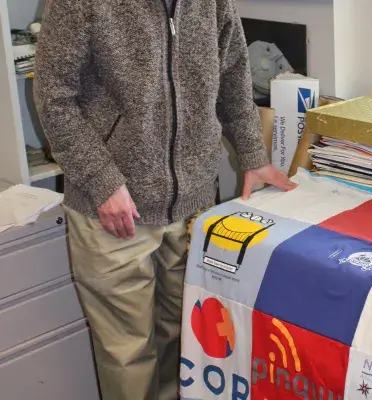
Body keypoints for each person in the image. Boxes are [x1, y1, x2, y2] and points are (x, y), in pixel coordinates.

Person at [33, 1, 296, 399]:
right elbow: (54, 98)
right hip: (115, 213)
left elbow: (233, 75)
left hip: (193, 205)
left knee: (184, 343)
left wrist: (252, 155)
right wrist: (103, 182)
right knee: (129, 358)